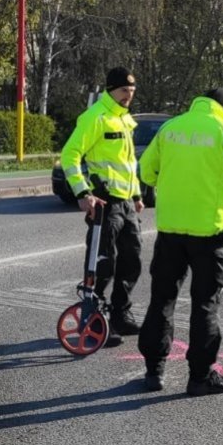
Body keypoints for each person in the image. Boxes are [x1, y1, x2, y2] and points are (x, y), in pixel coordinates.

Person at [138, 87, 223, 396]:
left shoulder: (170, 127)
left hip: (170, 231)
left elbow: (147, 172)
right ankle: (199, 378)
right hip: (209, 234)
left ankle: (154, 372)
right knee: (205, 306)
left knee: (161, 301)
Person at [60, 67, 144, 337]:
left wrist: (137, 195)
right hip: (104, 202)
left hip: (126, 203)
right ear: (111, 90)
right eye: (124, 90)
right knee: (103, 263)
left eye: (132, 91)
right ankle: (92, 319)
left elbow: (127, 164)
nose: (128, 96)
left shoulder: (123, 118)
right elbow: (70, 155)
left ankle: (120, 315)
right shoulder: (96, 117)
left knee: (132, 260)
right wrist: (83, 193)